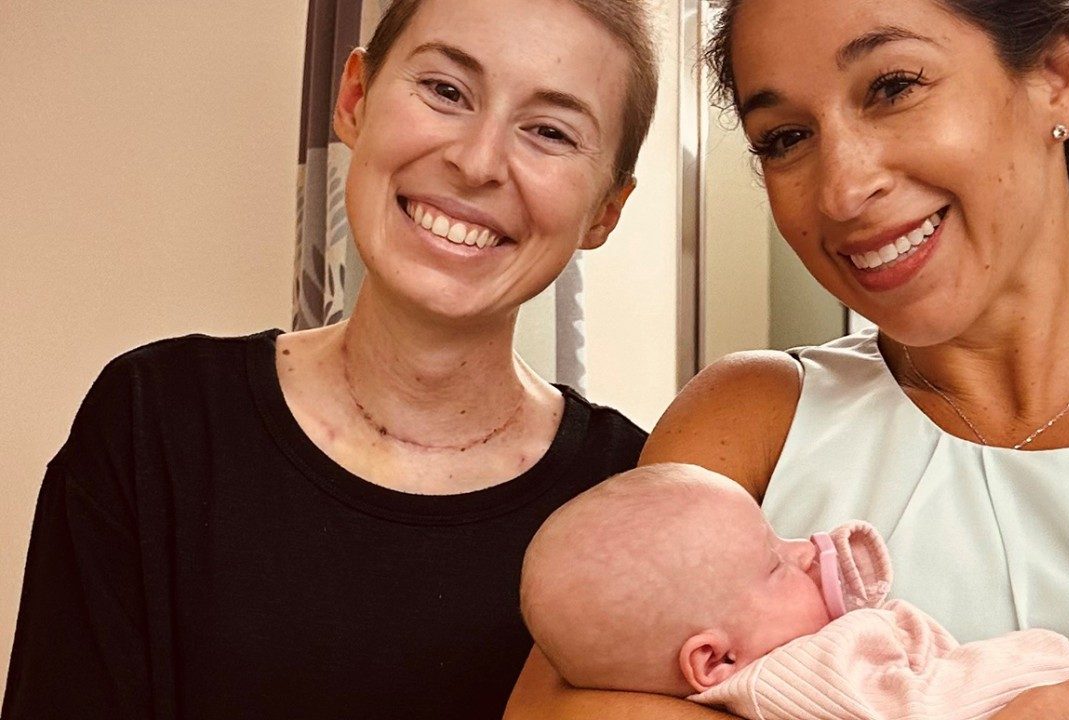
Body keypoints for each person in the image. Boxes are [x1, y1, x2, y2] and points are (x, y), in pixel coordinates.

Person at [504, 0, 1069, 718]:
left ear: (1056, 77)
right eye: (785, 138)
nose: (841, 190)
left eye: (893, 87)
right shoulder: (754, 417)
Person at [3, 0, 658, 717]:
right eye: (445, 91)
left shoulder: (637, 497)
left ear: (605, 211)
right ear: (355, 99)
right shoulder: (154, 423)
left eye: (550, 131)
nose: (476, 161)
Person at [521, 463, 1069, 720]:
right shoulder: (798, 676)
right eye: (776, 566)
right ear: (715, 658)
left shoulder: (757, 677)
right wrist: (1048, 660)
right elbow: (925, 707)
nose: (803, 551)